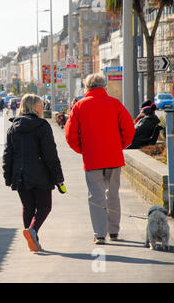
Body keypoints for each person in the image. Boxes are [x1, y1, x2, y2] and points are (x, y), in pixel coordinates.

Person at [65, 73, 135, 245]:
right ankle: (114, 230)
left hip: (92, 159)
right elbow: (129, 129)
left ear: (87, 87)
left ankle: (100, 234)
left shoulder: (80, 106)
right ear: (104, 86)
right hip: (113, 157)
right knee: (113, 194)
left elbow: (70, 134)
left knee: (96, 196)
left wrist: (83, 150)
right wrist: (120, 146)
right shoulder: (115, 104)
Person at [3, 94, 64, 252]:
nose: (43, 107)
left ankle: (33, 240)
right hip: (41, 174)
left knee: (28, 207)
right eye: (40, 105)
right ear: (33, 107)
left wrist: (8, 177)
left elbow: (7, 154)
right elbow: (50, 154)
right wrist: (59, 178)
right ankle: (33, 231)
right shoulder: (42, 126)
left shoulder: (13, 127)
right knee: (44, 206)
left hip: (20, 175)